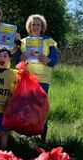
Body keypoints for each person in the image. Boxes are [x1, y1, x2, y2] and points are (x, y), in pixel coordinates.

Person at [20, 14, 58, 145]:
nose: (35, 27)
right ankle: (28, 134)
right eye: (33, 24)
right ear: (29, 26)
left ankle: (42, 137)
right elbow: (16, 60)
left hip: (43, 79)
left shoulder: (49, 41)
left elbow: (54, 60)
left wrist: (48, 59)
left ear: (42, 27)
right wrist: (21, 57)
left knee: (41, 108)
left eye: (38, 24)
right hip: (27, 79)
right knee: (27, 108)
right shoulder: (23, 42)